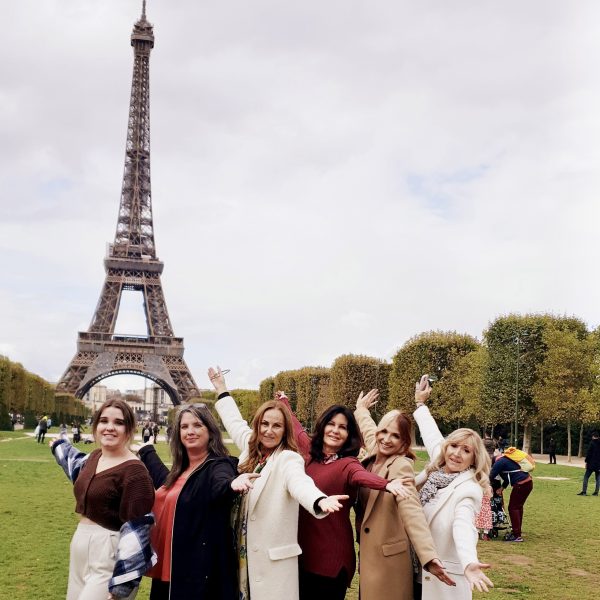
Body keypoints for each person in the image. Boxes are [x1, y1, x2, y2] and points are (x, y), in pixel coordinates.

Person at [209, 367, 348, 600]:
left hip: (271, 565)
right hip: (241, 555)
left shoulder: (288, 459)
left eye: (276, 426)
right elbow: (234, 422)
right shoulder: (249, 451)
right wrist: (222, 389)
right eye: (264, 424)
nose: (269, 431)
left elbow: (299, 483)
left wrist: (319, 499)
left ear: (285, 431)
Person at [277, 393, 408, 600]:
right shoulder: (311, 451)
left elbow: (361, 476)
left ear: (349, 434)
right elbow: (297, 428)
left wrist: (387, 484)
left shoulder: (348, 463)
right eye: (331, 424)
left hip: (330, 559)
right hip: (302, 553)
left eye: (343, 427)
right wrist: (283, 401)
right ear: (323, 426)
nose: (335, 431)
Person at [135, 402, 253, 599]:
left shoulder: (218, 465)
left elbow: (219, 484)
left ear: (210, 430)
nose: (190, 431)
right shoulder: (182, 470)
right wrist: (148, 451)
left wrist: (231, 484)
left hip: (197, 575)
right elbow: (169, 486)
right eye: (184, 426)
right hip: (171, 568)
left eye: (197, 425)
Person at [354, 389, 455, 600]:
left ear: (404, 443)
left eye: (396, 436)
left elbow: (412, 511)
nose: (387, 439)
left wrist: (428, 556)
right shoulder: (374, 449)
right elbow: (368, 427)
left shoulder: (400, 466)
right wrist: (361, 409)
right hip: (371, 555)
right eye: (384, 432)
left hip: (388, 561)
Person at [49, 398, 155, 600]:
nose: (109, 427)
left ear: (129, 429)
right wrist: (59, 446)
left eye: (119, 422)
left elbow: (139, 528)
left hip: (109, 553)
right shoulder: (95, 457)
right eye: (104, 421)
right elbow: (75, 465)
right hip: (80, 544)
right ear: (96, 425)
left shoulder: (135, 472)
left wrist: (123, 585)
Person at [413, 375, 493, 598]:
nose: (457, 454)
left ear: (474, 460)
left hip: (439, 577)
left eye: (466, 451)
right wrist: (420, 403)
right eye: (454, 446)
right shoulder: (436, 470)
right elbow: (431, 433)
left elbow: (463, 526)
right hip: (412, 568)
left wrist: (469, 562)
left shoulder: (468, 490)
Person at [489, 446, 533, 542]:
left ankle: (516, 535)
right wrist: (502, 488)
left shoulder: (499, 463)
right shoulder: (507, 460)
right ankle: (517, 531)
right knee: (518, 507)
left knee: (513, 508)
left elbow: (491, 476)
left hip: (521, 484)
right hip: (528, 483)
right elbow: (507, 478)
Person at [577, 430, 600, 496]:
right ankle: (596, 492)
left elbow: (589, 454)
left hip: (591, 464)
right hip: (598, 465)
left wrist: (586, 462)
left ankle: (584, 491)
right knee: (598, 478)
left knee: (586, 477)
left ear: (593, 436)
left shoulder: (592, 443)